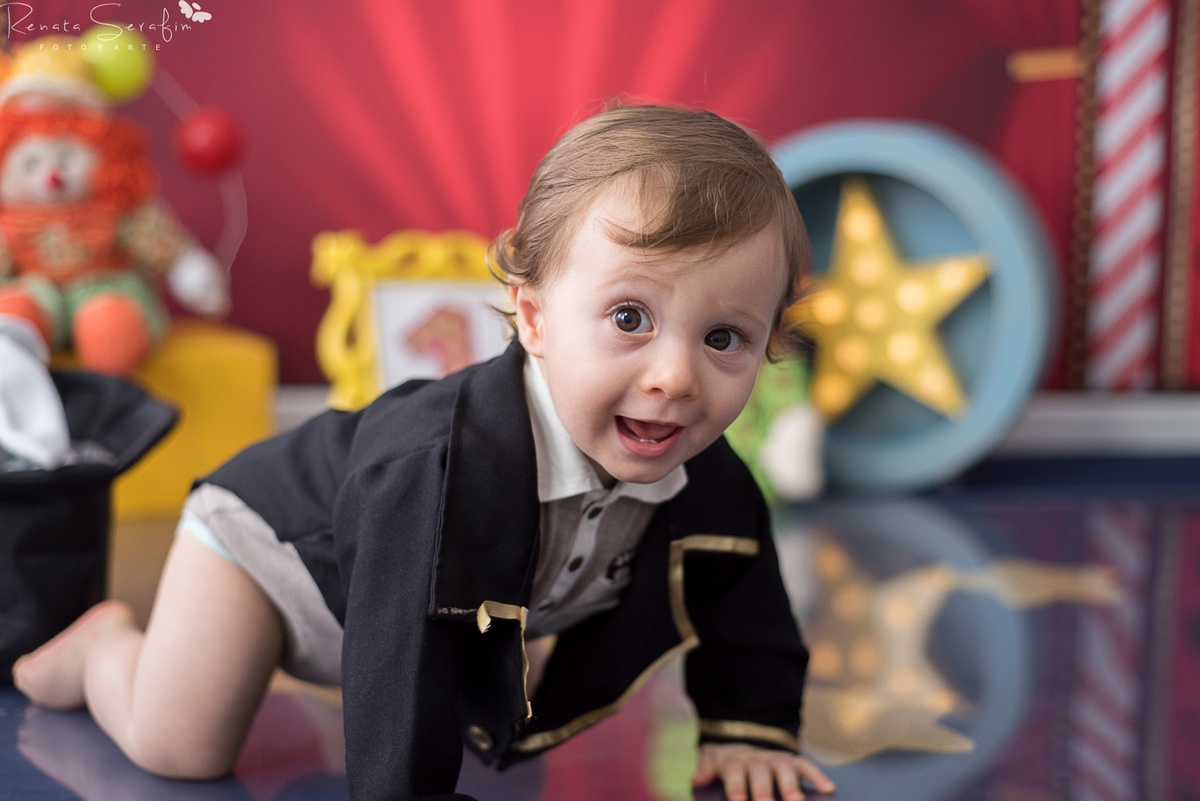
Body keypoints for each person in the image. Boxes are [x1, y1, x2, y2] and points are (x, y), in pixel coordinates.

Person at [13, 104, 836, 801]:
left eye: (724, 337)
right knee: (181, 746)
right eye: (630, 318)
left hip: (406, 607)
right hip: (273, 554)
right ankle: (101, 653)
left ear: (769, 347)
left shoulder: (709, 482)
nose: (674, 377)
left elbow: (744, 595)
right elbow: (400, 659)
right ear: (536, 316)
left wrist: (748, 726)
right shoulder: (435, 470)